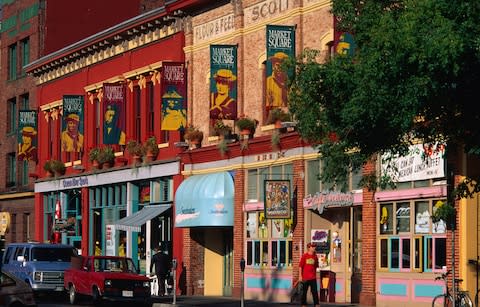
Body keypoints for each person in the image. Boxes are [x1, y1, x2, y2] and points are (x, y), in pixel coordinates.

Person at [299, 242, 320, 307]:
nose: (314, 248)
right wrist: (300, 276)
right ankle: (303, 304)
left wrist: (315, 274)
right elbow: (300, 266)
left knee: (314, 292)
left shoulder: (315, 257)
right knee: (304, 292)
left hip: (313, 277)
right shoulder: (304, 256)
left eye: (314, 247)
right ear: (309, 248)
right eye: (312, 247)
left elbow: (316, 266)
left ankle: (316, 304)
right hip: (305, 277)